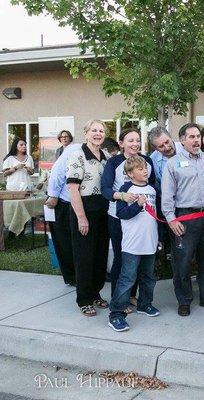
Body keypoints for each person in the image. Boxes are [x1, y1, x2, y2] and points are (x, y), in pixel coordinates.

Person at [162, 123, 204, 317]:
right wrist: (171, 219)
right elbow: (167, 195)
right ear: (182, 140)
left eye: (198, 136)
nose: (196, 140)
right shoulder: (173, 163)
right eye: (191, 137)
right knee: (182, 261)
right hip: (185, 218)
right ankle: (184, 300)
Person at [101, 128, 155, 305]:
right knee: (121, 258)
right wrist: (122, 196)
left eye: (138, 140)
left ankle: (132, 295)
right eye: (130, 140)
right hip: (119, 217)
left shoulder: (147, 161)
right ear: (121, 143)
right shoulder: (114, 162)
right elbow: (106, 190)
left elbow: (152, 188)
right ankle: (118, 299)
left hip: (143, 219)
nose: (135, 144)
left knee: (140, 259)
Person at [109, 156, 160, 332]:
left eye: (145, 167)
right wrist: (137, 205)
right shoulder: (126, 189)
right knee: (127, 278)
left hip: (150, 242)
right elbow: (122, 214)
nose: (145, 171)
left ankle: (145, 304)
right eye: (139, 169)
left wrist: (158, 237)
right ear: (130, 173)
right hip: (132, 244)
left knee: (148, 276)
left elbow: (156, 216)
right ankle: (116, 314)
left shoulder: (153, 189)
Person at [66, 120, 110, 317]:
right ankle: (83, 299)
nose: (98, 134)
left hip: (103, 210)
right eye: (94, 130)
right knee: (84, 256)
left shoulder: (106, 156)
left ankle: (95, 293)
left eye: (101, 131)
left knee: (99, 255)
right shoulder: (77, 155)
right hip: (84, 210)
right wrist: (81, 218)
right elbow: (72, 188)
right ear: (86, 134)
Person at [46, 142, 81, 286]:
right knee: (64, 241)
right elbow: (58, 171)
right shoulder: (74, 149)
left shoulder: (101, 155)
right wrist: (53, 195)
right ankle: (71, 277)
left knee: (77, 242)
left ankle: (79, 275)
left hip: (80, 203)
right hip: (63, 201)